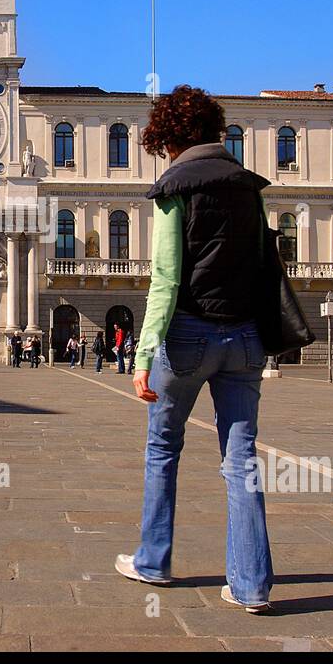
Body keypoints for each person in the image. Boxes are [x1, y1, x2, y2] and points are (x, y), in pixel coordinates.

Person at [115, 84, 274, 614]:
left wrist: (141, 357)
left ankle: (153, 560)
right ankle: (251, 585)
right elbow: (261, 266)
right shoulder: (250, 187)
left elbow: (165, 278)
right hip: (245, 337)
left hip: (185, 337)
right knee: (242, 459)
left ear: (169, 139)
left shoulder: (174, 186)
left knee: (162, 449)